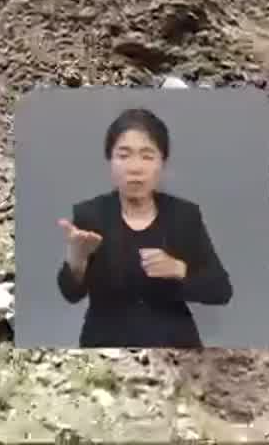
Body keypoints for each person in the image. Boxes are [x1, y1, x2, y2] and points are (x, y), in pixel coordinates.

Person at [57, 107, 232, 348]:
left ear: (163, 163)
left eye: (147, 156)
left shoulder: (184, 215)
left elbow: (221, 290)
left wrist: (180, 269)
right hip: (106, 346)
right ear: (110, 161)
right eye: (124, 155)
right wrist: (76, 261)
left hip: (175, 347)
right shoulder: (90, 214)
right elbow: (71, 294)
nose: (135, 167)